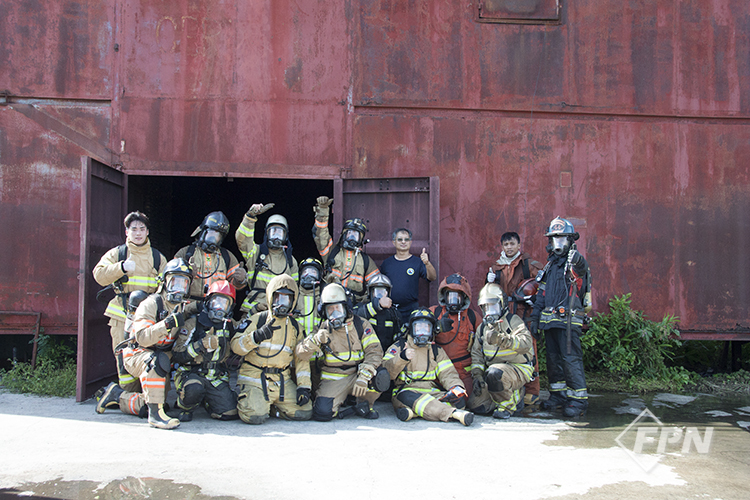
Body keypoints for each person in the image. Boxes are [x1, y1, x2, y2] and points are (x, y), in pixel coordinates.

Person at [95, 258, 199, 429]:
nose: (178, 288)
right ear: (165, 282)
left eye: (184, 283)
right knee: (156, 362)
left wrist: (202, 307)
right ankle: (156, 417)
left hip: (158, 353)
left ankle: (117, 396)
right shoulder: (151, 304)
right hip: (137, 353)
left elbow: (187, 311)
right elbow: (142, 337)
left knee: (154, 402)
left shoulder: (179, 306)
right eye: (174, 282)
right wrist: (166, 324)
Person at [93, 211, 166, 393]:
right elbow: (98, 275)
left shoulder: (158, 258)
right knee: (123, 357)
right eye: (134, 229)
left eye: (142, 229)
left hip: (148, 317)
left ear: (147, 232)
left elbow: (166, 288)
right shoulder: (118, 254)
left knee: (151, 355)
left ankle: (151, 397)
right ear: (127, 232)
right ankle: (128, 397)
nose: (138, 233)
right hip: (122, 315)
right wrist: (121, 267)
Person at [295, 283, 388, 421]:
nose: (335, 313)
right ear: (324, 312)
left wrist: (364, 376)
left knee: (380, 377)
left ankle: (364, 404)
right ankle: (346, 403)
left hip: (357, 375)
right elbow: (300, 353)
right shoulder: (322, 328)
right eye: (330, 309)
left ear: (346, 307)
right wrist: (315, 340)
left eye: (338, 308)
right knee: (322, 413)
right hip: (334, 379)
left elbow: (374, 351)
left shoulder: (361, 325)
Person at [530, 216, 592, 419]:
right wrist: (535, 319)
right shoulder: (550, 267)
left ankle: (578, 400)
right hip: (550, 323)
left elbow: (581, 268)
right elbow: (541, 294)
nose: (558, 243)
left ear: (570, 240)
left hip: (568, 322)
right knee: (553, 360)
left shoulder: (574, 263)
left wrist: (576, 258)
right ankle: (558, 395)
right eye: (555, 239)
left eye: (562, 239)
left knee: (570, 360)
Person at [230, 274, 313, 424]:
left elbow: (301, 359)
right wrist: (256, 336)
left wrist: (304, 387)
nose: (282, 303)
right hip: (255, 377)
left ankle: (273, 407)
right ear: (270, 297)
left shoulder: (295, 327)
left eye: (286, 299)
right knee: (254, 416)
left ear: (293, 301)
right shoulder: (257, 320)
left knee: (305, 411)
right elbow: (236, 347)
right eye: (278, 298)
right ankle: (250, 398)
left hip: (282, 380)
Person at [382, 308, 473, 426]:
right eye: (418, 327)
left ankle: (413, 413)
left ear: (432, 330)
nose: (422, 332)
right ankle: (454, 414)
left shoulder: (436, 350)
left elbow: (448, 373)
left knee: (459, 401)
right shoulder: (399, 346)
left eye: (426, 328)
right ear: (411, 329)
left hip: (431, 392)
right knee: (412, 399)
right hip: (407, 391)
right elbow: (386, 373)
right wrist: (402, 357)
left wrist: (456, 387)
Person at [485, 231, 543, 408]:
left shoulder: (529, 265)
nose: (509, 247)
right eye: (506, 244)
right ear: (502, 247)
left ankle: (532, 391)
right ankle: (510, 387)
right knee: (504, 348)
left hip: (524, 313)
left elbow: (544, 284)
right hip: (503, 315)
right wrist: (488, 281)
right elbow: (489, 294)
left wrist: (536, 299)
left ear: (519, 245)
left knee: (529, 350)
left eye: (512, 244)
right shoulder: (496, 268)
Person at [171, 280, 239, 422]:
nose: (219, 308)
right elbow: (177, 355)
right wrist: (200, 345)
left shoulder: (229, 326)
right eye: (216, 302)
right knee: (193, 390)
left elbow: (243, 333)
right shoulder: (193, 323)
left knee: (230, 412)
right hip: (191, 373)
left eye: (224, 304)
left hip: (215, 377)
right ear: (208, 302)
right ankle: (185, 406)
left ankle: (208, 402)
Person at [469, 283, 534, 419]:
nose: (489, 311)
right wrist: (478, 376)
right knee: (476, 406)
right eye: (486, 307)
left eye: (493, 306)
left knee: (495, 373)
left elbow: (526, 343)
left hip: (518, 368)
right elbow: (477, 355)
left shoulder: (513, 321)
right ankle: (500, 396)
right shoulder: (482, 328)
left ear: (502, 304)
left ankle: (508, 405)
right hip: (494, 373)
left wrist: (501, 339)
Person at [312, 196, 379, 304]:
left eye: (356, 235)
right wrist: (323, 210)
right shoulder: (331, 252)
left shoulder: (366, 261)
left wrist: (364, 302)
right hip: (331, 302)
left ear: (361, 239)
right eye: (349, 234)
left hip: (354, 305)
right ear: (343, 235)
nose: (352, 238)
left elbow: (376, 284)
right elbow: (321, 235)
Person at [235, 203, 299, 317]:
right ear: (267, 234)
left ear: (285, 236)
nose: (276, 236)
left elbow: (295, 289)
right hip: (253, 309)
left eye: (280, 233)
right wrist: (250, 217)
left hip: (279, 310)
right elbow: (242, 240)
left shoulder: (290, 261)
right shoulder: (256, 252)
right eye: (273, 232)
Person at [174, 211, 246, 299]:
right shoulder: (185, 253)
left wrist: (240, 281)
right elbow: (172, 282)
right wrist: (187, 275)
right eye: (211, 233)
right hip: (189, 303)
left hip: (215, 304)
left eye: (218, 236)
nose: (214, 238)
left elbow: (234, 287)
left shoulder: (227, 257)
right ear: (203, 232)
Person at [429, 273, 479, 395]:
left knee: (468, 400)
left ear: (464, 298)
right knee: (433, 398)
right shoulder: (434, 312)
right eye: (450, 296)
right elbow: (417, 333)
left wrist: (479, 374)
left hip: (463, 372)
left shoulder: (472, 317)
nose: (453, 301)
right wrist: (437, 327)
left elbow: (484, 342)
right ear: (444, 297)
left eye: (457, 297)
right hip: (438, 370)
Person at [379, 228, 437, 325]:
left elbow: (432, 277)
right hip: (389, 309)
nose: (403, 242)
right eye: (400, 239)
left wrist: (427, 263)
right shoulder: (387, 263)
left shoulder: (417, 262)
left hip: (411, 309)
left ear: (410, 242)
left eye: (406, 239)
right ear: (394, 242)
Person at [353, 274, 403, 351]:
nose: (380, 295)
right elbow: (355, 317)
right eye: (376, 291)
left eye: (383, 292)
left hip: (387, 354)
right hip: (366, 353)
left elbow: (398, 338)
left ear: (388, 293)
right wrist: (377, 305)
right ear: (370, 292)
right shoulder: (362, 308)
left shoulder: (394, 314)